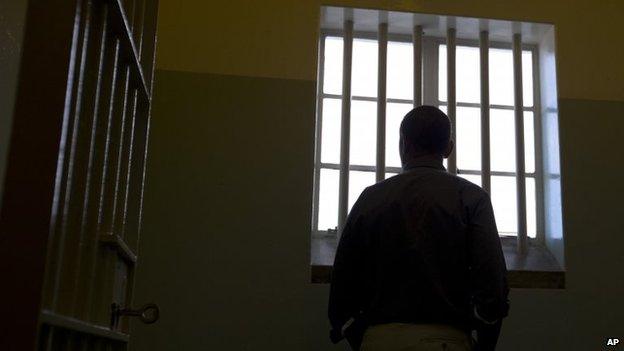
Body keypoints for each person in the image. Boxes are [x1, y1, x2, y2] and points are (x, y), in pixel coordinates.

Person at [328, 105, 509, 351]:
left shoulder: (370, 198)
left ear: (403, 144)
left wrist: (355, 331)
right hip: (448, 338)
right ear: (448, 148)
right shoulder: (471, 198)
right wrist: (484, 340)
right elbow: (492, 286)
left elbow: (343, 281)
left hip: (379, 338)